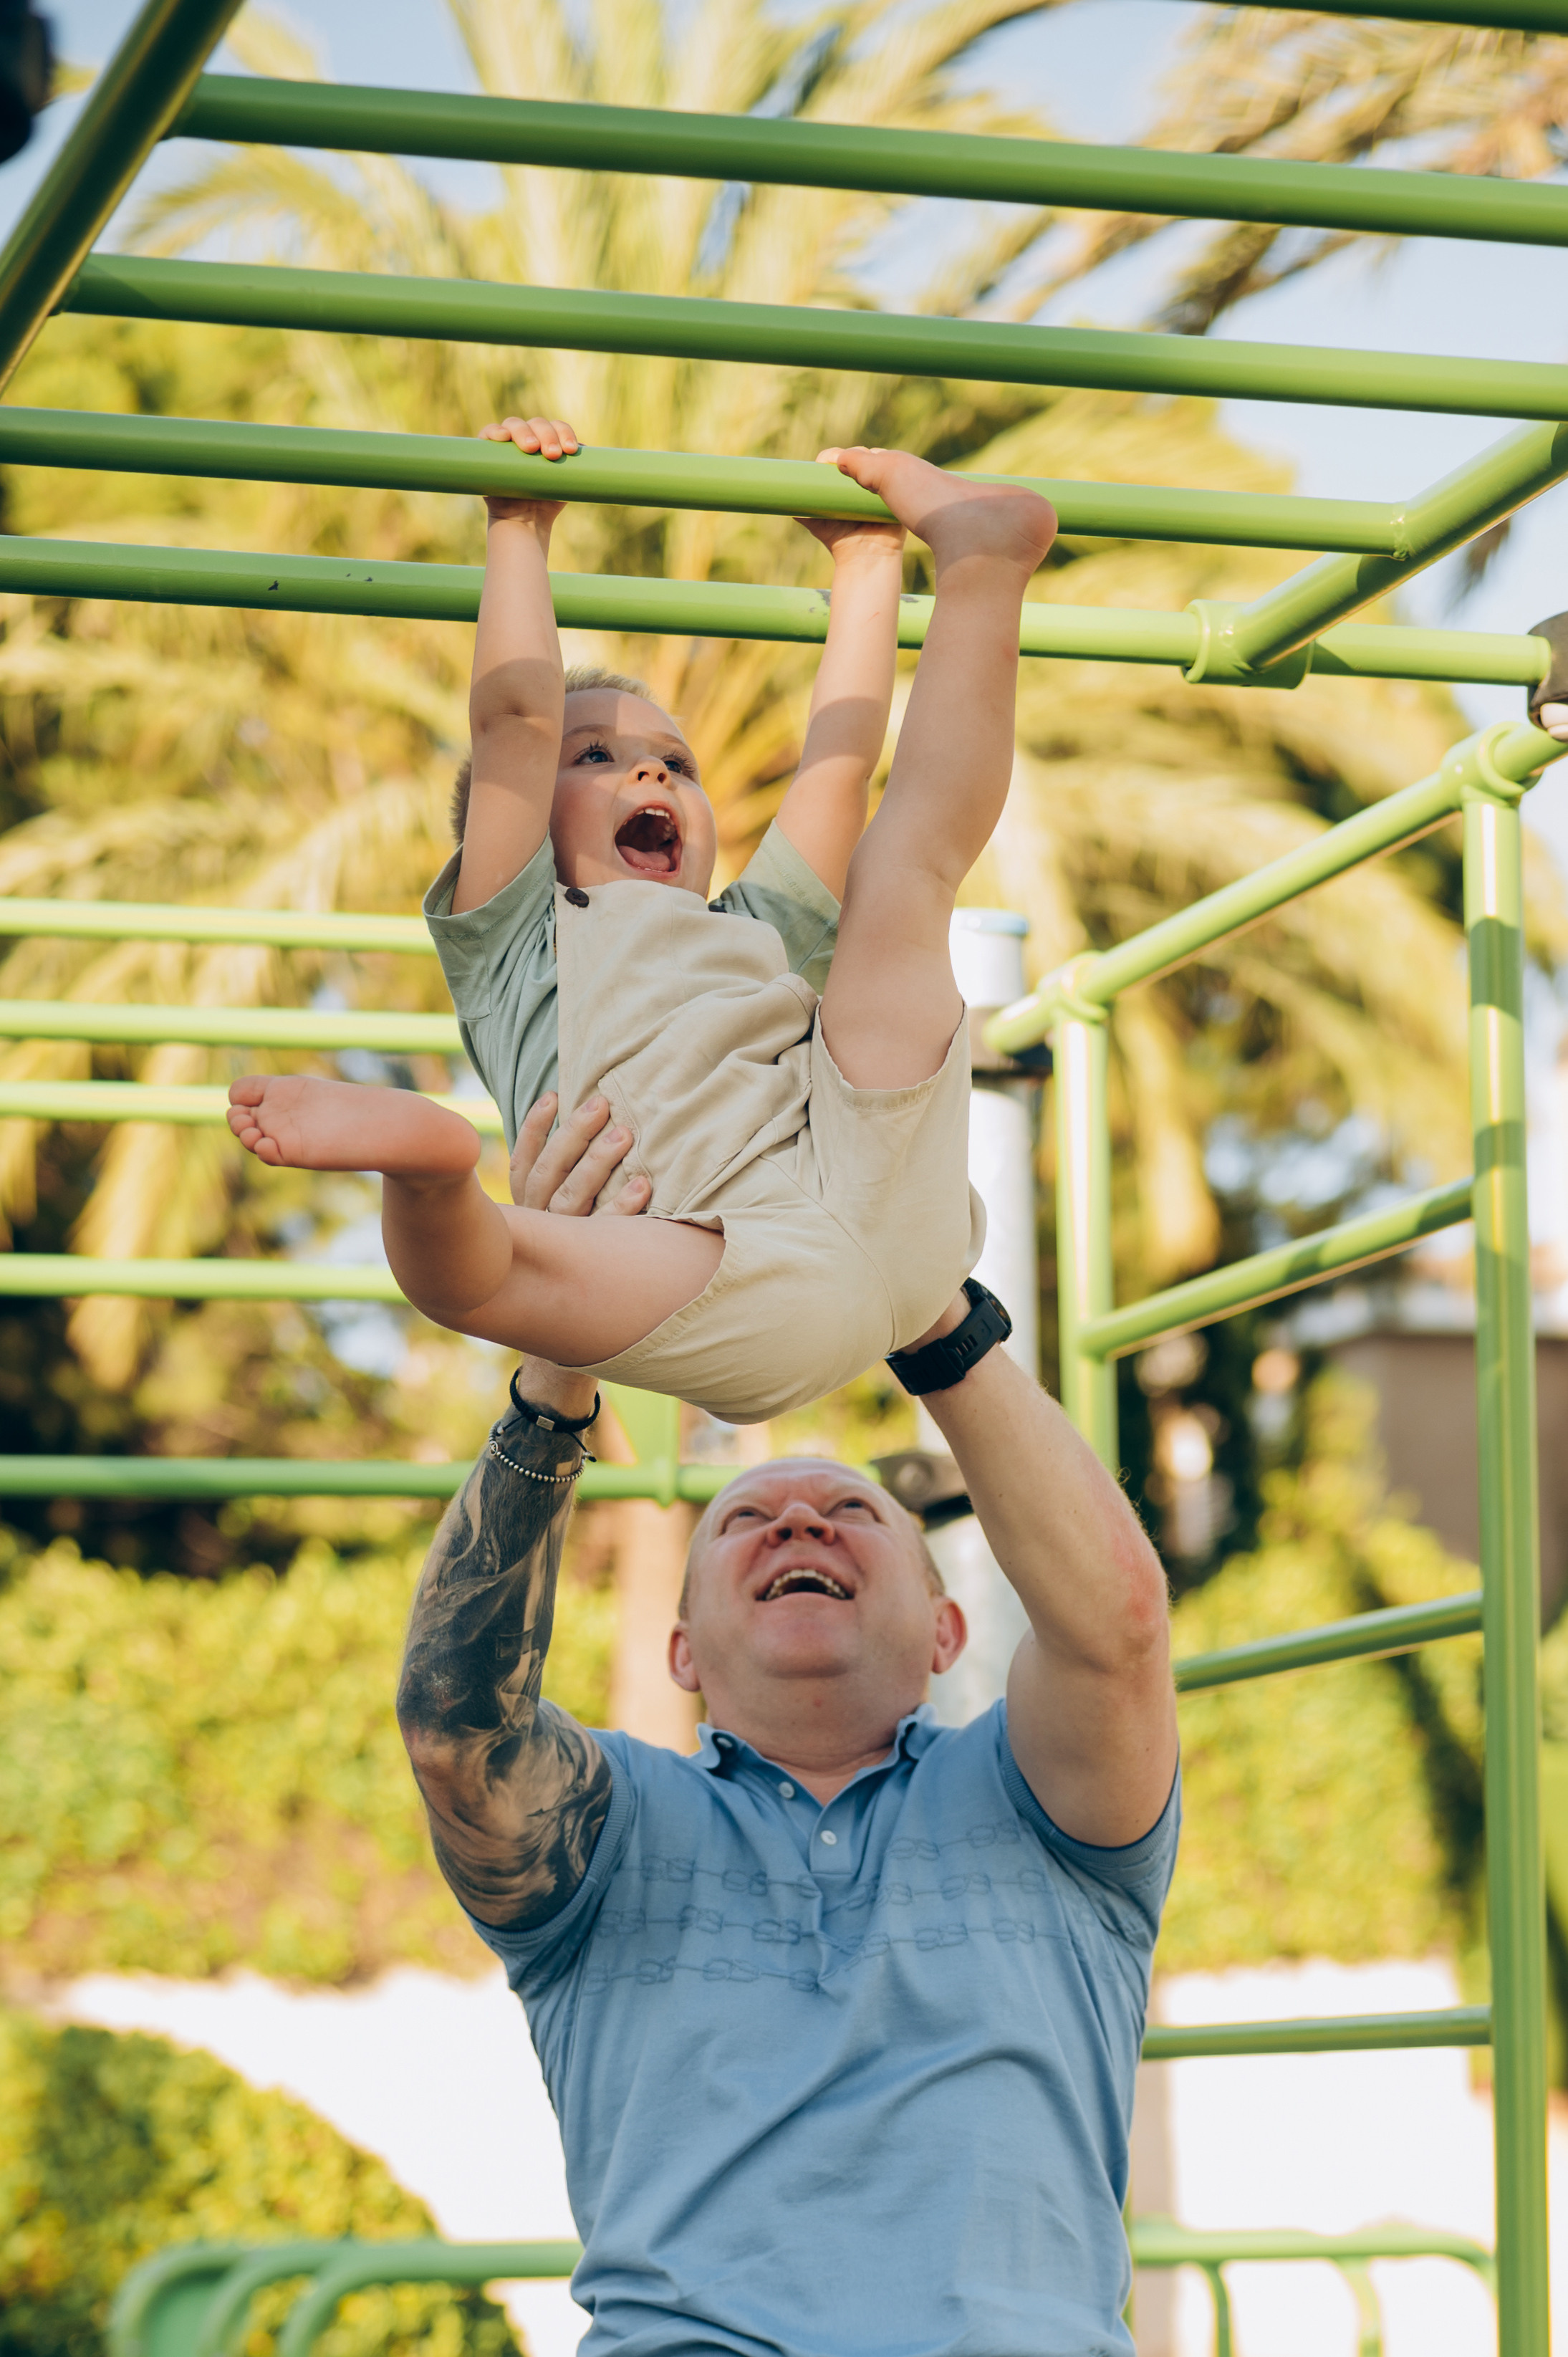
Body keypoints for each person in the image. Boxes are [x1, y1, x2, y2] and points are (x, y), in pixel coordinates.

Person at [395, 1094, 1180, 2357]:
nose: (802, 1520)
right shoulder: (615, 1832)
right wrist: (557, 1360)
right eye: (747, 1522)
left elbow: (1119, 1627)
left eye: (854, 1513)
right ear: (683, 1649)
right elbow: (454, 1726)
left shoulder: (1048, 1806)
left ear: (945, 1632)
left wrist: (926, 1305)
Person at [226, 418, 1057, 1424]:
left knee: (900, 872)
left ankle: (980, 561)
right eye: (595, 759)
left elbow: (835, 767)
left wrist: (871, 562)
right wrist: (517, 527)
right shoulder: (516, 939)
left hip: (887, 1207)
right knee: (479, 1284)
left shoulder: (759, 936)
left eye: (674, 761)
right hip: (717, 1266)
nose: (650, 769)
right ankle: (431, 1170)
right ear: (522, 828)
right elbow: (516, 724)